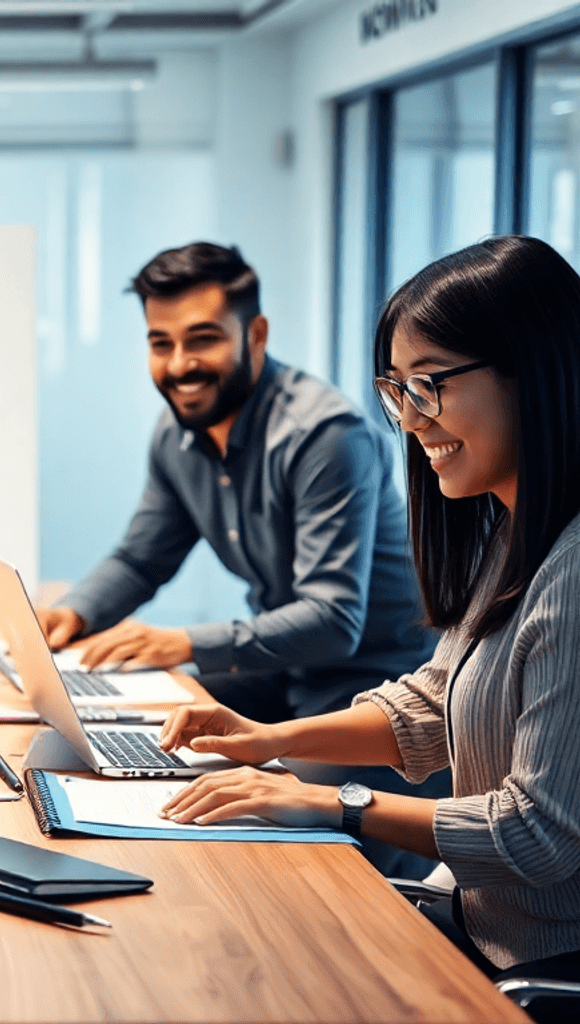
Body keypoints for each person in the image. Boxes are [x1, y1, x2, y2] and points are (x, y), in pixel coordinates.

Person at [157, 235, 580, 1011]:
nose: (410, 421)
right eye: (399, 389)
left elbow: (537, 836)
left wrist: (334, 802)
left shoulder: (574, 573)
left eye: (430, 385)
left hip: (532, 966)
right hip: (464, 920)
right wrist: (269, 738)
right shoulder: (515, 533)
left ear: (534, 371)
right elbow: (431, 706)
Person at [34, 242, 445, 877]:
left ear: (255, 334)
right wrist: (74, 614)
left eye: (201, 340)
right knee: (146, 724)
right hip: (288, 674)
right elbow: (142, 559)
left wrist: (182, 641)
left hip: (366, 688)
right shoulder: (178, 435)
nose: (179, 365)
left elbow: (335, 619)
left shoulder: (325, 436)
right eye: (159, 343)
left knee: (250, 823)